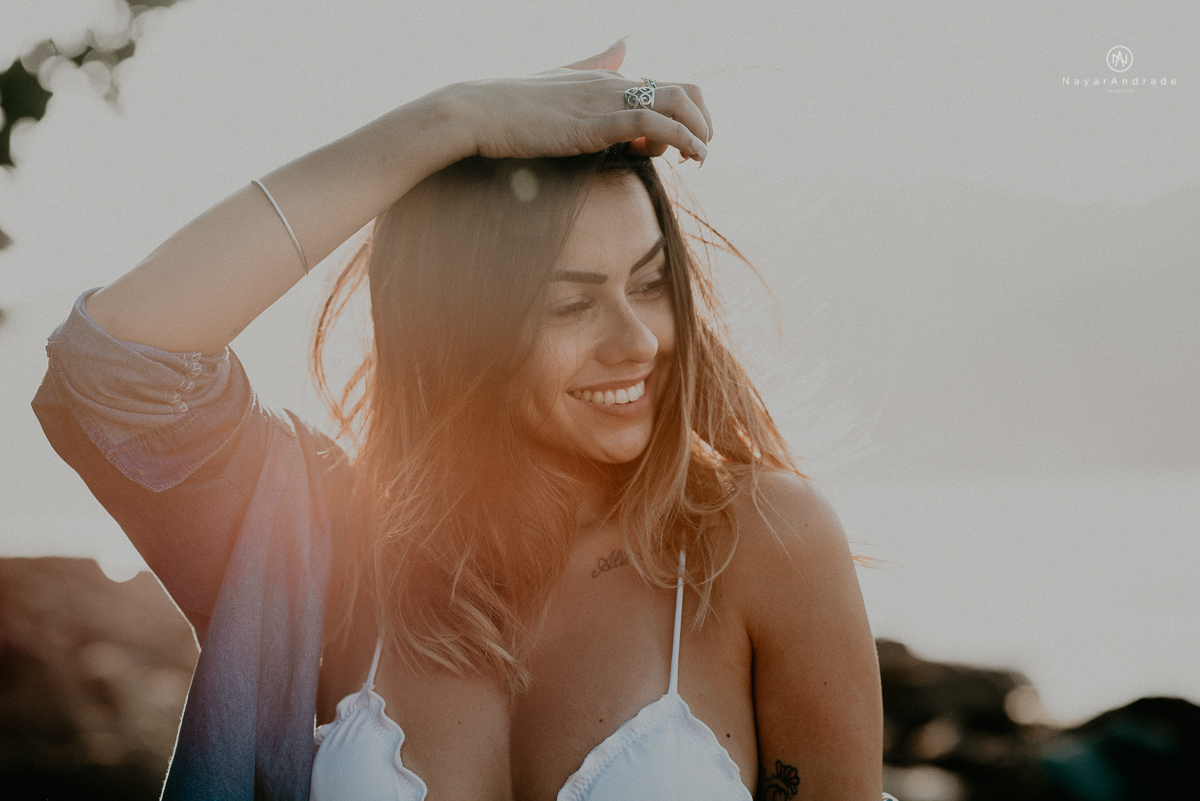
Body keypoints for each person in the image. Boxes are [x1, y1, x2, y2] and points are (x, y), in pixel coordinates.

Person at [33, 39, 889, 800]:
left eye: (651, 282)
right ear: (456, 326)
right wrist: (450, 121)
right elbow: (114, 359)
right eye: (570, 304)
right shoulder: (333, 548)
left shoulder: (759, 542)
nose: (636, 341)